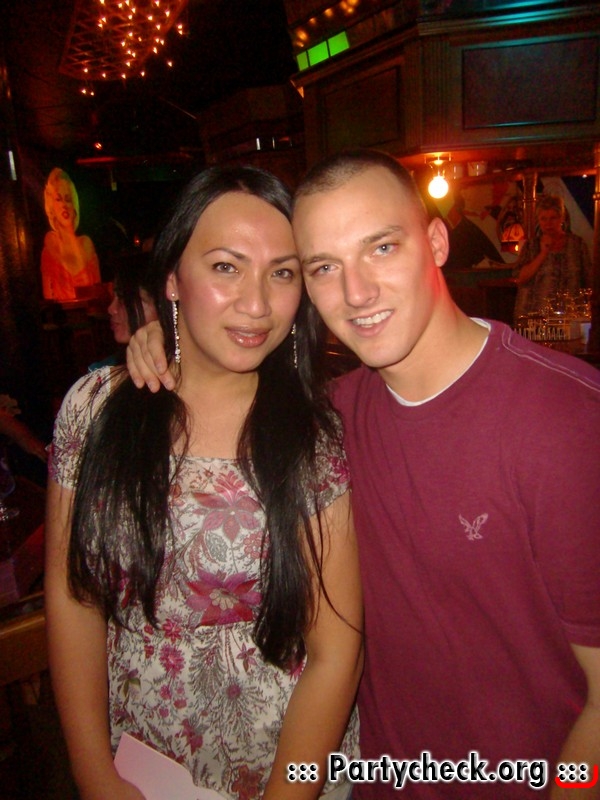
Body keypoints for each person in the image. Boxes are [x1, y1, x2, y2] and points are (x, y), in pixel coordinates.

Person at [128, 150, 600, 799]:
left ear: (436, 242)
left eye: (381, 248)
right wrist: (162, 343)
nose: (357, 293)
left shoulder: (568, 422)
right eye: (325, 267)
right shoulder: (330, 420)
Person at [45, 165, 363, 800]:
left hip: (282, 762)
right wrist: (93, 772)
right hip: (135, 760)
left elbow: (336, 650)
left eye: (282, 273)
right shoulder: (96, 408)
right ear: (172, 277)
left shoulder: (311, 436)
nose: (257, 304)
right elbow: (73, 594)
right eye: (225, 267)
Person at [513, 193, 592, 320]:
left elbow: (589, 279)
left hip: (570, 314)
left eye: (553, 218)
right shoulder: (531, 246)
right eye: (543, 219)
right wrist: (543, 254)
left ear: (561, 218)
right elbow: (520, 278)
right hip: (535, 314)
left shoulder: (577, 244)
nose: (548, 223)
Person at [89, 252, 159, 370]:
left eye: (123, 298)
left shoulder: (187, 369)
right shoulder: (103, 373)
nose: (111, 309)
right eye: (113, 297)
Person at [41, 167, 101, 301]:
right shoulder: (49, 251)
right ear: (51, 208)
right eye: (58, 199)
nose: (64, 205)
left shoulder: (87, 245)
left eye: (68, 199)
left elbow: (98, 292)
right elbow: (49, 299)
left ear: (74, 206)